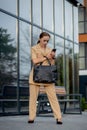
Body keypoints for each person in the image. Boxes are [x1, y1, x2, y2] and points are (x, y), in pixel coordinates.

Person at [28, 32, 62, 124]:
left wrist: (53, 58)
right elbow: (35, 61)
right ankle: (31, 117)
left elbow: (52, 65)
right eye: (44, 40)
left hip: (48, 76)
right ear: (40, 39)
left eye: (47, 41)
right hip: (36, 75)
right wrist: (46, 57)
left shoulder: (50, 50)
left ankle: (59, 117)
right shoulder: (34, 48)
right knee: (33, 98)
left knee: (53, 97)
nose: (46, 42)